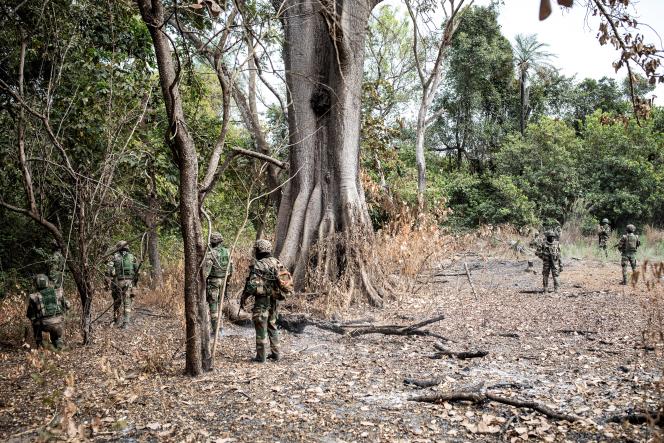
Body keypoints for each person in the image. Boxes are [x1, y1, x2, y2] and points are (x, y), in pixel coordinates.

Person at [240, 239, 293, 363]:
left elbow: (252, 286)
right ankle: (276, 354)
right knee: (272, 325)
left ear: (259, 250)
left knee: (260, 325)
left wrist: (245, 296)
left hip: (262, 301)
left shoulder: (259, 264)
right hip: (274, 301)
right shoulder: (277, 262)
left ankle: (261, 357)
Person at [27, 274, 70, 349]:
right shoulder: (57, 292)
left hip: (45, 325)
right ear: (47, 282)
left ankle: (39, 344)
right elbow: (67, 305)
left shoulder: (34, 297)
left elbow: (30, 315)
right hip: (59, 323)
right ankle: (58, 342)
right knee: (56, 331)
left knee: (35, 323)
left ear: (36, 284)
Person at [204, 232, 233, 337]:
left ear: (212, 242)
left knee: (213, 306)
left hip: (213, 282)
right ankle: (220, 328)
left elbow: (205, 273)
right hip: (224, 281)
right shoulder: (228, 252)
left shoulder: (211, 253)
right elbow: (231, 269)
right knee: (220, 305)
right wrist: (227, 281)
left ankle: (216, 331)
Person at [105, 240, 139, 328]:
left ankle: (116, 321)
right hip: (129, 282)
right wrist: (135, 283)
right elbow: (137, 271)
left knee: (117, 302)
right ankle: (126, 323)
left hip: (117, 283)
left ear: (118, 248)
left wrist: (107, 284)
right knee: (127, 302)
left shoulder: (114, 257)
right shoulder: (133, 257)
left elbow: (108, 271)